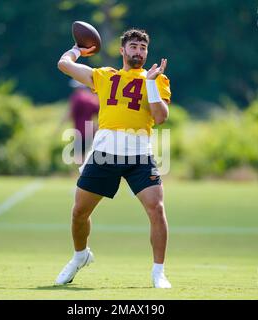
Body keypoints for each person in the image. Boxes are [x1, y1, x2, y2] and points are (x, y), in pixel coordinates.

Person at [56, 29, 172, 288]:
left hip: (139, 155)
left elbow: (161, 117)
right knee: (79, 212)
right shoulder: (105, 76)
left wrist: (151, 83)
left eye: (143, 48)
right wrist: (78, 48)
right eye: (133, 46)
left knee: (157, 209)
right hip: (105, 153)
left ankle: (158, 272)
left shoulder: (156, 79)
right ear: (122, 50)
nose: (138, 52)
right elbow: (64, 64)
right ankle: (80, 256)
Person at [60, 79, 99, 163]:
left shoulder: (76, 97)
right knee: (89, 153)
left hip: (80, 130)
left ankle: (82, 173)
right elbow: (98, 113)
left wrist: (61, 124)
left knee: (79, 156)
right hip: (91, 129)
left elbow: (70, 113)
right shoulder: (92, 98)